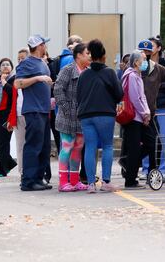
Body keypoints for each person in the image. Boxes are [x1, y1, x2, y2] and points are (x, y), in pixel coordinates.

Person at [76, 39, 123, 193]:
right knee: (107, 146)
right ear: (103, 55)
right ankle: (106, 182)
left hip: (86, 115)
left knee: (90, 146)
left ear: (90, 55)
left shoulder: (84, 75)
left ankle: (90, 184)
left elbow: (79, 96)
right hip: (105, 113)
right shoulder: (109, 72)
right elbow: (119, 94)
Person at [135, 39, 165, 179]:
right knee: (145, 139)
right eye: (142, 50)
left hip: (163, 104)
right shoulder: (138, 65)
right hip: (144, 107)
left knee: (163, 138)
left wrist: (160, 86)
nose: (145, 52)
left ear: (157, 49)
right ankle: (145, 169)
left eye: (149, 49)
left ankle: (162, 169)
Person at [15, 35, 54, 191]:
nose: (46, 47)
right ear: (39, 46)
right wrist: (38, 78)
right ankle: (28, 181)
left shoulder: (43, 63)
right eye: (44, 44)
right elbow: (17, 83)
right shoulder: (26, 64)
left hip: (44, 110)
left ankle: (38, 178)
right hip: (33, 110)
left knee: (44, 147)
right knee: (33, 146)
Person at [53, 42, 91, 192]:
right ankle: (63, 182)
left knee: (78, 148)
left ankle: (75, 181)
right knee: (67, 147)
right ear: (79, 55)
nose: (89, 56)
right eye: (87, 53)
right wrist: (67, 109)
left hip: (82, 118)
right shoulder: (67, 70)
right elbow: (57, 89)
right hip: (67, 117)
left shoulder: (88, 72)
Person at [119, 50, 151, 188]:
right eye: (143, 59)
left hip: (140, 115)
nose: (145, 62)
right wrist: (144, 113)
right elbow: (134, 98)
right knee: (134, 148)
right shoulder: (131, 76)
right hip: (133, 117)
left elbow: (142, 96)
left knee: (151, 142)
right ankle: (130, 179)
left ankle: (128, 163)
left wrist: (147, 112)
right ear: (136, 62)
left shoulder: (138, 75)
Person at [48, 35, 83, 156]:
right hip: (72, 109)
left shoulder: (58, 59)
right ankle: (69, 172)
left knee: (64, 143)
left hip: (60, 109)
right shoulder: (70, 61)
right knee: (71, 145)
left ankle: (65, 172)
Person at [7, 48, 29, 175]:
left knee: (31, 144)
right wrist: (11, 118)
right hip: (19, 114)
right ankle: (22, 171)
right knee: (20, 145)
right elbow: (13, 101)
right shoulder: (16, 78)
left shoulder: (32, 75)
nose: (20, 61)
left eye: (23, 59)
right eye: (18, 59)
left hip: (30, 114)